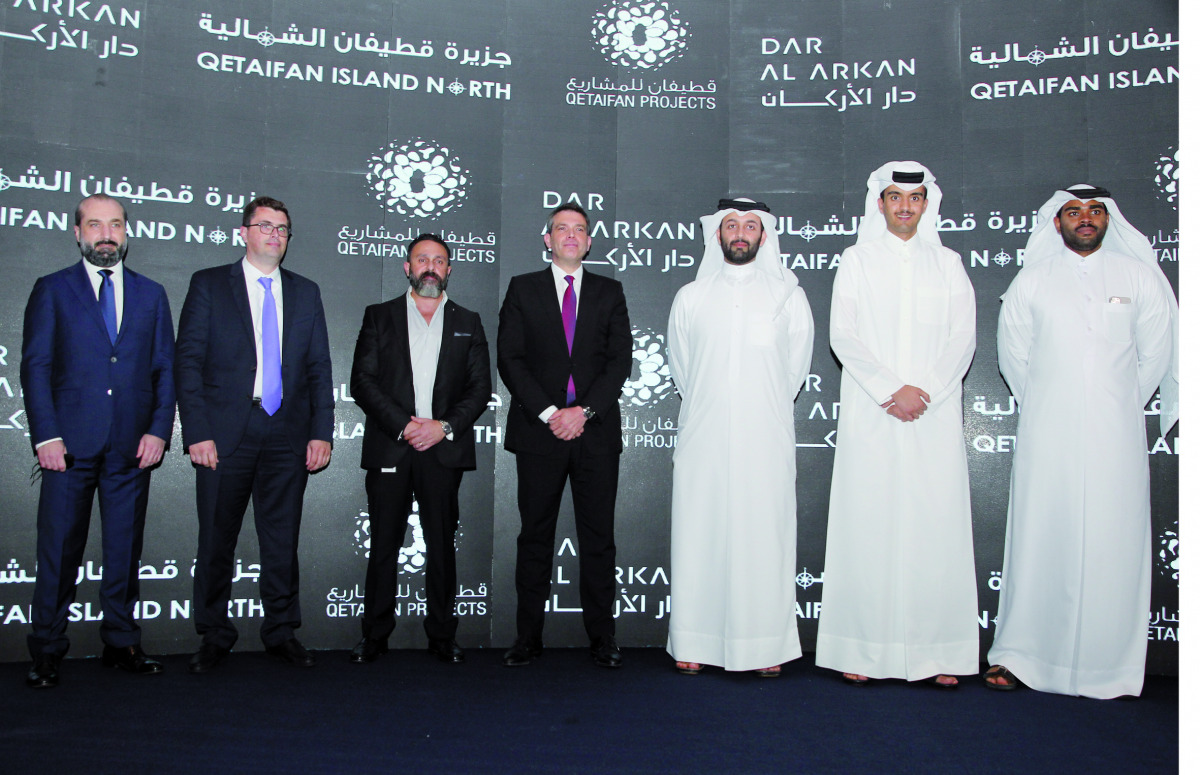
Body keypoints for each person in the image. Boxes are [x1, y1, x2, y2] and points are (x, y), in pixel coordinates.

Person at [987, 185, 1176, 698]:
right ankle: (1022, 657)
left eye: (1094, 211)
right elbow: (1014, 357)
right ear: (1058, 223)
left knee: (1114, 540)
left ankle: (1107, 667)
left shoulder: (1137, 278)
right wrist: (1052, 405)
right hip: (1048, 431)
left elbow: (1156, 353)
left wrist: (1116, 403)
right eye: (1074, 212)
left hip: (1117, 432)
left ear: (1107, 219)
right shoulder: (1034, 280)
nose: (1085, 219)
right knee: (1041, 535)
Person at [814, 162, 978, 689]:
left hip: (932, 411)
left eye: (914, 197)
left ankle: (938, 653)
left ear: (927, 204)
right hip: (873, 410)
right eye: (894, 197)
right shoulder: (856, 260)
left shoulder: (948, 263)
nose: (905, 206)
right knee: (868, 525)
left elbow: (963, 338)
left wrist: (923, 389)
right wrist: (890, 389)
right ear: (879, 204)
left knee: (936, 527)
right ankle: (861, 649)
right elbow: (845, 335)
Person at [19, 194, 176, 689]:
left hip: (131, 446)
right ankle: (46, 649)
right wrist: (45, 434)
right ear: (78, 232)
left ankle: (122, 641)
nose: (105, 233)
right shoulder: (52, 289)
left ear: (126, 231)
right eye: (94, 225)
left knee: (124, 550)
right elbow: (37, 366)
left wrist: (157, 429)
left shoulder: (152, 294)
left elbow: (164, 370)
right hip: (67, 447)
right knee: (59, 551)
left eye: (114, 224)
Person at [175, 196, 334, 673]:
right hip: (224, 434)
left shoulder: (306, 292)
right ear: (243, 232)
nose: (274, 235)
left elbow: (320, 369)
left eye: (283, 228)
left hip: (287, 432)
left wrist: (320, 431)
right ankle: (213, 633)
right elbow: (188, 362)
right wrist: (196, 431)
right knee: (216, 540)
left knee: (281, 540)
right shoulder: (209, 285)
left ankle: (281, 631)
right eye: (264, 226)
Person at [666, 198, 814, 677]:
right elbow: (683, 368)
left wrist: (756, 409)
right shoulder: (691, 296)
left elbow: (795, 371)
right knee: (700, 533)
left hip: (764, 435)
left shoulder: (789, 296)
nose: (741, 233)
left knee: (762, 537)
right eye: (732, 225)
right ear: (718, 235)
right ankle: (694, 640)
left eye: (751, 225)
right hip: (704, 435)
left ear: (763, 236)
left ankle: (764, 646)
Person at [497, 203, 632, 668]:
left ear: (589, 242)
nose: (571, 236)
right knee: (535, 536)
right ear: (547, 239)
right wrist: (553, 412)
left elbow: (620, 363)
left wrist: (585, 412)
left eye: (579, 229)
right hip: (540, 433)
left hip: (595, 434)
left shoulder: (610, 292)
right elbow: (510, 359)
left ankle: (603, 638)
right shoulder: (522, 289)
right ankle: (528, 637)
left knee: (599, 538)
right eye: (561, 229)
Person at [348, 233, 490, 665]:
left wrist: (442, 427)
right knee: (384, 545)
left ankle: (443, 636)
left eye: (439, 260)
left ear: (449, 270)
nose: (430, 266)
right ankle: (374, 635)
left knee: (442, 546)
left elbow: (479, 389)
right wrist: (406, 426)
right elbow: (363, 382)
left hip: (442, 449)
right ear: (407, 268)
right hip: (394, 446)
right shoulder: (379, 316)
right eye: (421, 259)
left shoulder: (469, 320)